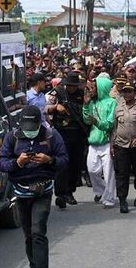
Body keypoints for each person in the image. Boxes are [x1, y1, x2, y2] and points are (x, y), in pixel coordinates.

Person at [0, 106, 69, 268]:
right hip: (21, 192)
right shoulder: (12, 138)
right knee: (29, 235)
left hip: (42, 190)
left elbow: (64, 160)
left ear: (40, 124)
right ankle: (33, 264)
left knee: (38, 232)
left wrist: (49, 160)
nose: (30, 131)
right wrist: (17, 162)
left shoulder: (52, 135)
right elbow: (1, 164)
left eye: (34, 128)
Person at [46, 72, 87, 209]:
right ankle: (60, 194)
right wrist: (55, 107)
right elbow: (45, 109)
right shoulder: (57, 93)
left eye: (74, 86)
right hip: (61, 133)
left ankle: (70, 191)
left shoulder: (82, 94)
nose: (71, 88)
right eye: (69, 86)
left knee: (75, 164)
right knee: (62, 163)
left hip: (78, 133)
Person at [112, 81, 136, 213]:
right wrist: (113, 144)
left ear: (135, 93)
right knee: (122, 173)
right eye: (125, 91)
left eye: (130, 91)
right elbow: (115, 127)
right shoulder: (118, 107)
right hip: (121, 145)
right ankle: (122, 200)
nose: (127, 94)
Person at [82, 77, 118, 208]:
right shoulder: (92, 102)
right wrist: (85, 106)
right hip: (93, 142)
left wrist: (97, 122)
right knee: (92, 170)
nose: (91, 90)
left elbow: (110, 124)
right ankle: (100, 191)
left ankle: (109, 199)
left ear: (101, 88)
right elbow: (86, 120)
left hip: (107, 142)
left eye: (94, 88)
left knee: (108, 173)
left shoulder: (111, 103)